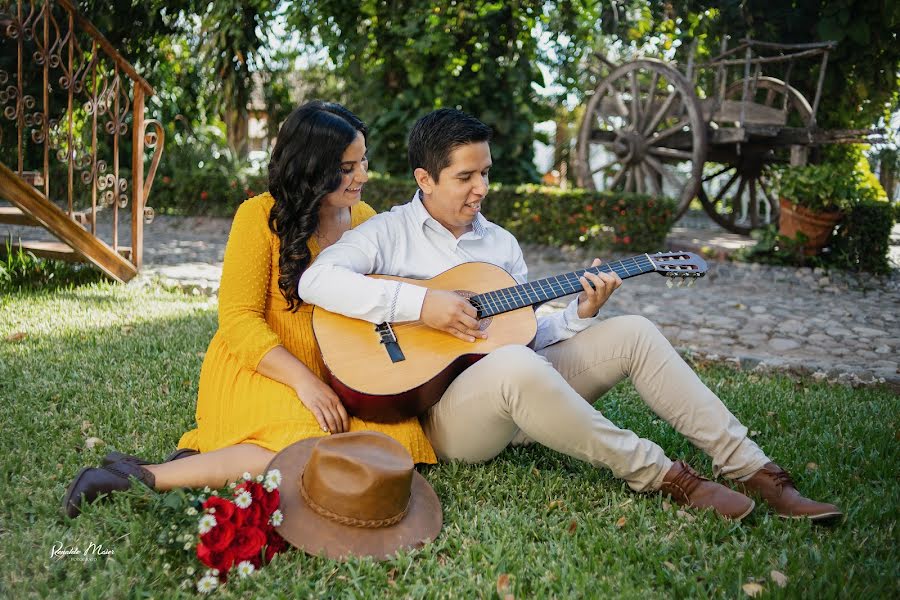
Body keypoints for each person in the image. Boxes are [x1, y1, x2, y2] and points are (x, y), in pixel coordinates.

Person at [297, 108, 841, 522]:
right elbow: (317, 281)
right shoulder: (386, 233)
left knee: (632, 332)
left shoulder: (501, 245)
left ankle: (754, 470)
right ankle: (665, 477)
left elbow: (526, 334)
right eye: (466, 177)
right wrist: (423, 305)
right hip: (449, 420)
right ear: (425, 179)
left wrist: (579, 315)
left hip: (523, 388)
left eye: (485, 173)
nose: (481, 189)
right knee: (514, 367)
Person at [63, 101, 436, 518]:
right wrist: (306, 384)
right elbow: (239, 320)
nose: (362, 175)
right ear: (312, 167)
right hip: (263, 365)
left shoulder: (366, 220)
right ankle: (132, 478)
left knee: (392, 446)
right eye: (347, 167)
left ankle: (187, 465)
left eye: (362, 161)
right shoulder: (258, 216)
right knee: (303, 454)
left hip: (338, 373)